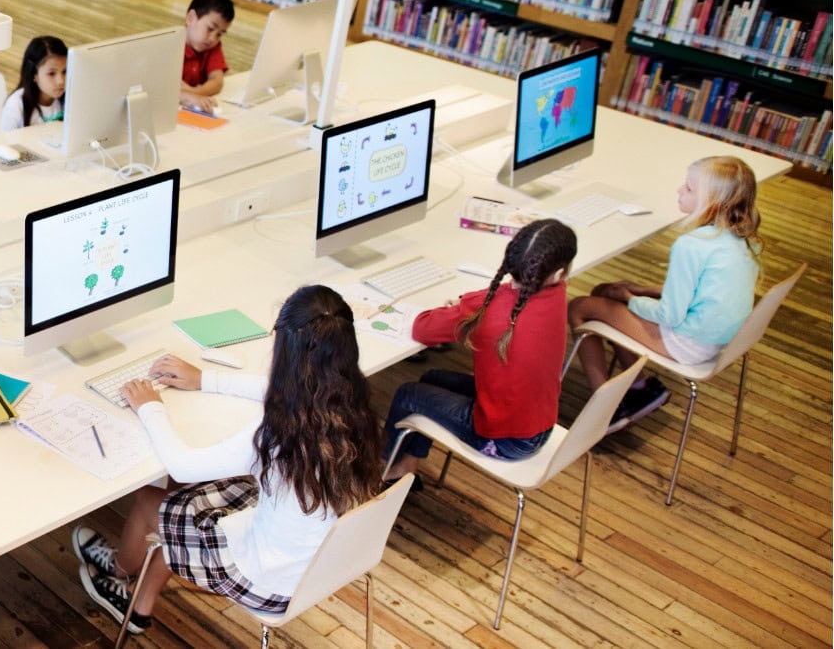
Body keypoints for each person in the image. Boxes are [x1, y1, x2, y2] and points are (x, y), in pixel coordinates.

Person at [71, 285, 385, 634]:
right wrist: (205, 379)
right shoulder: (354, 405)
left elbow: (182, 465)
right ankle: (139, 600)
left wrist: (150, 407)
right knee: (186, 497)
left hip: (267, 583)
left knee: (151, 499)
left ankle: (120, 569)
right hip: (324, 562)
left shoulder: (278, 434)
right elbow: (284, 392)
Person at [570, 156, 764, 430]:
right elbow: (708, 292)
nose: (679, 191)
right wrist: (645, 290)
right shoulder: (741, 241)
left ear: (711, 202)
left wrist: (631, 299)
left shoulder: (691, 245)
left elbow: (669, 315)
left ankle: (604, 411)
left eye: (688, 188)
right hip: (717, 340)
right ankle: (640, 387)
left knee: (579, 307)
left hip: (687, 343)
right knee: (603, 292)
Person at [383, 219, 579, 482]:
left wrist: (464, 307)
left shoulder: (491, 310)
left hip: (503, 440)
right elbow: (508, 301)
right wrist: (470, 307)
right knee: (432, 379)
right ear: (558, 274)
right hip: (538, 424)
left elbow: (423, 329)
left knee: (408, 394)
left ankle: (378, 469)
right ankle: (405, 466)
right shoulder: (556, 293)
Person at [180, 0, 234, 113]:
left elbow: (217, 82)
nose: (213, 39)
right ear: (191, 18)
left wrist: (195, 93)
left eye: (220, 34)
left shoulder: (213, 47)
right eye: (210, 29)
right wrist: (193, 97)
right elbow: (166, 88)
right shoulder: (171, 45)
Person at [0, 35, 67, 131]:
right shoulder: (16, 106)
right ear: (34, 74)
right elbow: (3, 144)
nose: (61, 81)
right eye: (51, 73)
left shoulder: (69, 98)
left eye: (65, 71)